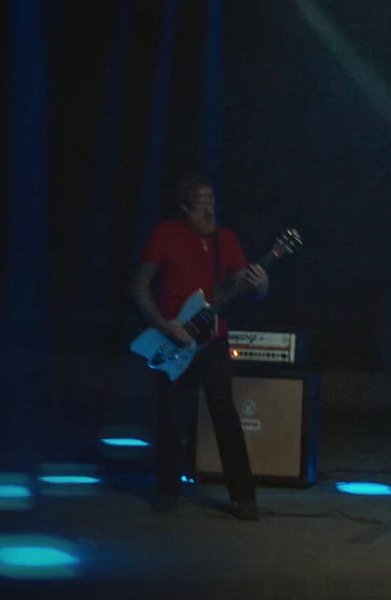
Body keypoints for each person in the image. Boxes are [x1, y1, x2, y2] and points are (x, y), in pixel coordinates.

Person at [131, 173, 268, 521]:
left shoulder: (227, 239)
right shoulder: (167, 234)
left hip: (214, 340)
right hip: (173, 338)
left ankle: (244, 497)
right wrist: (166, 326)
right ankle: (166, 491)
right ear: (184, 206)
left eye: (211, 201)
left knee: (226, 416)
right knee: (170, 418)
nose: (209, 209)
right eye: (201, 203)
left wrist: (260, 286)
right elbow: (140, 289)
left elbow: (245, 288)